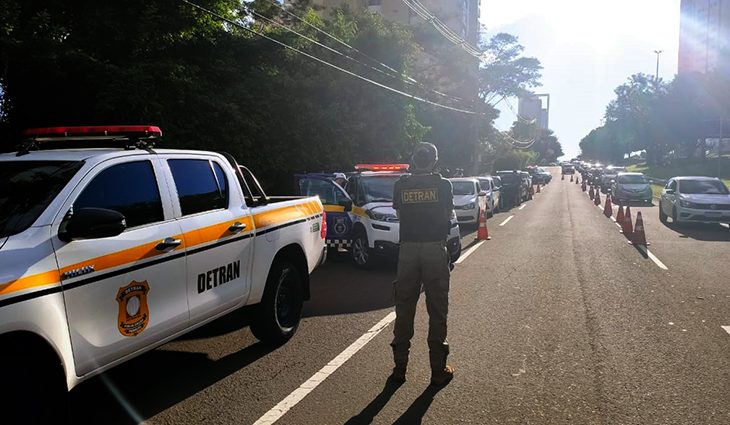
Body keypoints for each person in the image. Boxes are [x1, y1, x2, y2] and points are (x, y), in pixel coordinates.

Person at [390, 142, 454, 386]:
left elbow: (399, 216)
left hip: (407, 251)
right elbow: (449, 214)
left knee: (404, 308)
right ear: (434, 161)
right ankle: (438, 370)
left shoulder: (401, 185)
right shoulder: (443, 185)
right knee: (437, 309)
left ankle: (399, 368)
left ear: (413, 160)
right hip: (434, 250)